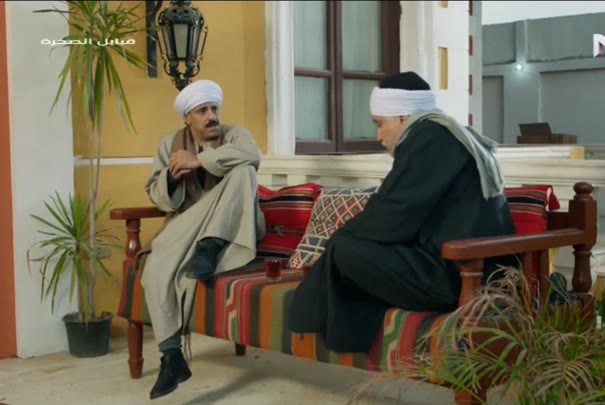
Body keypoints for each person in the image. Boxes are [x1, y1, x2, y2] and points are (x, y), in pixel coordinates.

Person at [288, 71, 518, 354]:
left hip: (461, 274)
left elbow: (391, 214)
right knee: (346, 245)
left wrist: (342, 236)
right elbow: (402, 211)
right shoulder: (444, 134)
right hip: (466, 266)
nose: (378, 136)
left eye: (379, 124)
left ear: (402, 116)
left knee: (344, 249)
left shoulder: (429, 138)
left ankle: (307, 323)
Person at [136, 79, 266, 399]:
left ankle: (210, 245)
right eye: (202, 111)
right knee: (155, 269)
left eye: (214, 109)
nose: (212, 116)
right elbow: (158, 197)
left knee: (245, 170)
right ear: (187, 117)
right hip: (187, 222)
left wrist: (197, 161)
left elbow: (252, 154)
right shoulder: (169, 144)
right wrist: (171, 178)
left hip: (234, 227)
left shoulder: (235, 135)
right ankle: (171, 358)